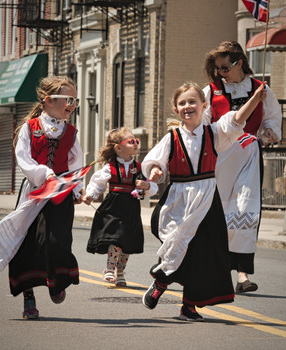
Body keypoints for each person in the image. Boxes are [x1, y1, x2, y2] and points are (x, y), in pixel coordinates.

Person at [141, 81, 267, 321]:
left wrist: (256, 99)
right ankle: (161, 281)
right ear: (176, 109)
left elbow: (237, 119)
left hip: (208, 200)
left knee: (205, 254)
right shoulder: (172, 137)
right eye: (182, 103)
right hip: (179, 199)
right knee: (179, 245)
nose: (187, 106)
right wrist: (156, 171)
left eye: (192, 102)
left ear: (204, 105)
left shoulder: (215, 132)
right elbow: (155, 161)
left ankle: (189, 306)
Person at [0, 76, 83, 319]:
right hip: (34, 191)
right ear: (49, 100)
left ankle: (57, 282)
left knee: (57, 241)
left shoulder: (71, 132)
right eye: (68, 99)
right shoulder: (29, 128)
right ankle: (28, 297)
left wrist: (76, 187)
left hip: (60, 194)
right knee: (26, 243)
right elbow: (24, 159)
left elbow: (76, 162)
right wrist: (45, 174)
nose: (72, 104)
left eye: (74, 99)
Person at [203, 41, 282, 293]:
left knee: (245, 209)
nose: (220, 73)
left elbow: (272, 118)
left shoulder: (261, 89)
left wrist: (270, 131)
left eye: (225, 68)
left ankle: (243, 275)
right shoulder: (211, 91)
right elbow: (204, 123)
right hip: (220, 157)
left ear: (239, 63)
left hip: (248, 155)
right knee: (219, 211)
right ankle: (216, 270)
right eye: (217, 69)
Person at [83, 127, 158, 287]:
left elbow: (153, 188)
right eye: (131, 141)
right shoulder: (110, 167)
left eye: (136, 141)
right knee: (116, 237)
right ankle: (109, 268)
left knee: (127, 241)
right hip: (114, 206)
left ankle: (121, 271)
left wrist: (146, 186)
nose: (136, 143)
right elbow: (97, 183)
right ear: (118, 147)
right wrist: (91, 195)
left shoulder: (140, 168)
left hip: (131, 208)